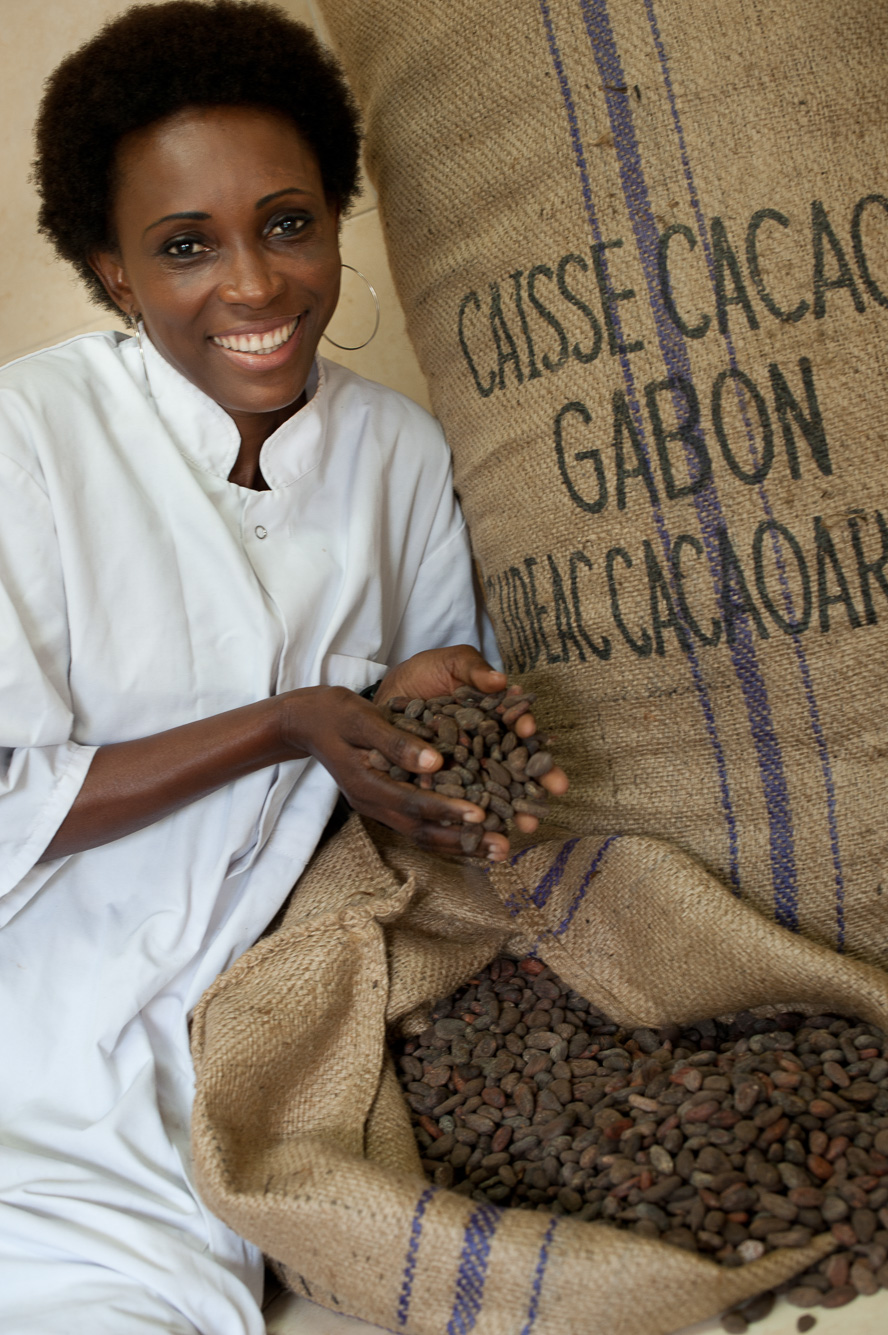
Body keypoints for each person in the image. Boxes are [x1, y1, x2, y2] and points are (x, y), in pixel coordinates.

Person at [0, 3, 566, 1332]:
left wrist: (417, 729)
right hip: (35, 1069)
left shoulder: (402, 459)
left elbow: (414, 736)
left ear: (335, 217)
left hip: (259, 1081)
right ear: (112, 272)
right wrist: (294, 724)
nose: (254, 286)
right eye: (185, 246)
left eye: (288, 223)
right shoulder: (32, 437)